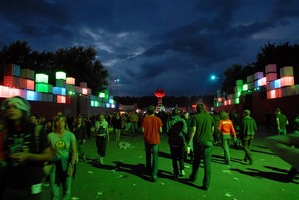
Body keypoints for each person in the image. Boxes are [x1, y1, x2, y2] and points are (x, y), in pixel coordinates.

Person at [1, 96, 52, 200]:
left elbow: (48, 155)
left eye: (15, 107)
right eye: (9, 108)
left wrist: (28, 156)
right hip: (10, 186)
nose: (11, 110)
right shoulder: (6, 132)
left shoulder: (36, 130)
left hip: (31, 185)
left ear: (23, 110)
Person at [48, 115, 77, 200]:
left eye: (62, 121)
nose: (60, 123)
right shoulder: (50, 136)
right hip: (54, 166)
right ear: (55, 123)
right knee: (54, 192)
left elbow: (74, 151)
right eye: (58, 121)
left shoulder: (70, 135)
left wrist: (71, 165)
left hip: (66, 165)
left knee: (67, 190)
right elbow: (47, 151)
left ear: (65, 123)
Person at [186, 103, 214, 191]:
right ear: (204, 108)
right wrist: (209, 136)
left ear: (196, 109)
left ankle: (193, 177)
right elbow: (212, 129)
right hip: (208, 141)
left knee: (196, 161)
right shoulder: (209, 117)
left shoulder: (195, 117)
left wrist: (189, 142)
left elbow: (193, 130)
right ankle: (206, 184)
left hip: (198, 142)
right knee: (207, 164)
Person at [141, 105, 163, 182]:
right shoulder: (158, 119)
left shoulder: (145, 119)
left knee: (148, 155)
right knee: (155, 157)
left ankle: (148, 169)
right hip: (155, 140)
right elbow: (161, 130)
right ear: (154, 111)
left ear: (148, 111)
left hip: (147, 140)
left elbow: (142, 130)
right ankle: (154, 175)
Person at [167, 108, 188, 179]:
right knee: (181, 157)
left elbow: (168, 132)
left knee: (174, 158)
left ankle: (176, 173)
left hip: (172, 141)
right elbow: (185, 131)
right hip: (180, 141)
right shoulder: (182, 120)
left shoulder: (169, 121)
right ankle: (182, 170)